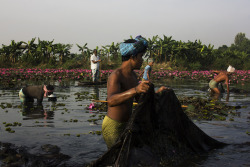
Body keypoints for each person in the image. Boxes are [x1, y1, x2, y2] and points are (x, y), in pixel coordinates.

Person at [102, 36, 167, 149]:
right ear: (132, 57)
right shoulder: (116, 75)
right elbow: (111, 101)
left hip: (127, 125)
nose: (142, 60)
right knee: (117, 158)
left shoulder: (133, 75)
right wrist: (135, 89)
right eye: (141, 56)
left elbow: (138, 99)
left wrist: (157, 94)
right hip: (113, 125)